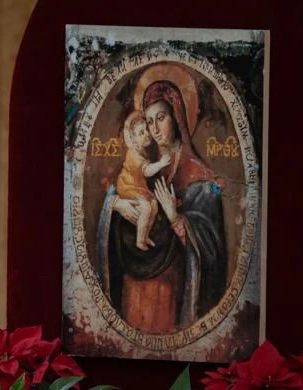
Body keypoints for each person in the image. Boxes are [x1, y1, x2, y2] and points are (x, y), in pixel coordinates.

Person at [96, 79, 228, 333]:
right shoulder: (144, 162)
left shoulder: (199, 177)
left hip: (170, 287)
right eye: (148, 121)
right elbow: (118, 189)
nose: (154, 129)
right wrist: (116, 205)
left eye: (161, 118)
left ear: (177, 117)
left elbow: (213, 250)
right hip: (134, 282)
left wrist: (175, 218)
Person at [115, 110, 172, 252]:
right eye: (141, 133)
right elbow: (146, 171)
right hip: (128, 186)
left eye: (146, 129)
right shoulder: (133, 155)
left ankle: (145, 234)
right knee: (146, 207)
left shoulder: (142, 151)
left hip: (138, 185)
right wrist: (161, 164)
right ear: (133, 140)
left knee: (154, 204)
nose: (147, 133)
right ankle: (139, 240)